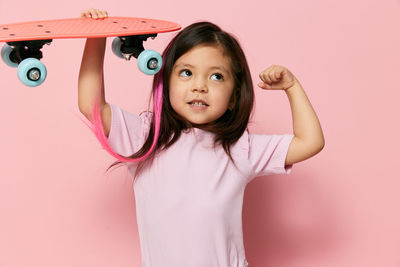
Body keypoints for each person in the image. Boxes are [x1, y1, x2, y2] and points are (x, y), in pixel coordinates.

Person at [78, 8, 325, 267]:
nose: (200, 86)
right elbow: (90, 104)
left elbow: (310, 142)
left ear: (233, 97)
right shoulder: (145, 137)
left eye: (216, 76)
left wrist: (292, 87)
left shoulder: (240, 148)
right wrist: (97, 37)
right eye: (186, 73)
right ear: (166, 81)